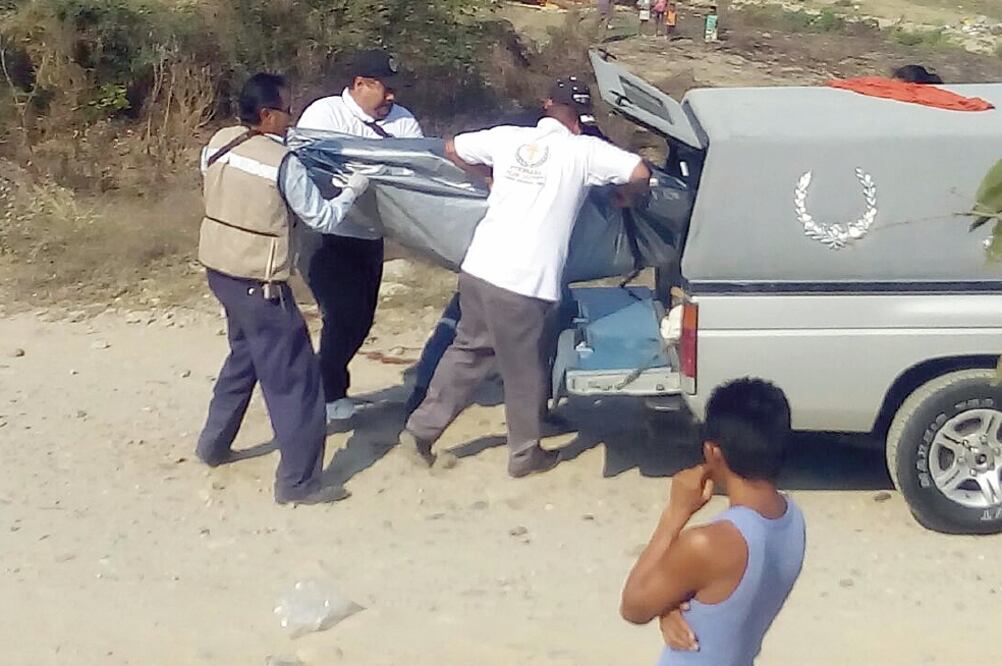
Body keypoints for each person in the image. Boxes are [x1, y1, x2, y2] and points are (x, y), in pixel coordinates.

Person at [398, 79, 651, 478]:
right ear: (581, 119)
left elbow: (450, 148)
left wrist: (487, 175)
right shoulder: (584, 151)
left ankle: (418, 432)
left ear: (548, 106)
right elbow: (639, 171)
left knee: (468, 350)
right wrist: (625, 197)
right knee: (525, 370)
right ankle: (524, 456)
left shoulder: (508, 138)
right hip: (525, 281)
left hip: (480, 267)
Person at [195, 73, 370, 505]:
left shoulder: (219, 141)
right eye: (288, 110)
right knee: (296, 379)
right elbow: (323, 219)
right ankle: (298, 482)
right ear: (267, 114)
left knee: (245, 355)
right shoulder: (282, 164)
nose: (292, 119)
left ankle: (213, 444)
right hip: (260, 280)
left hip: (220, 269)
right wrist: (354, 189)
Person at [404, 77, 609, 416]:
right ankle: (524, 431)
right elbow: (624, 169)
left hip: (499, 259)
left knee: (471, 340)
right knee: (513, 353)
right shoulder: (548, 140)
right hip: (522, 265)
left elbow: (453, 148)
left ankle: (425, 411)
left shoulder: (524, 137)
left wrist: (487, 175)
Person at [620, 378, 806, 665]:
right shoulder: (793, 520)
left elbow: (633, 607)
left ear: (713, 452)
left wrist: (675, 513)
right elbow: (727, 603)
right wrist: (667, 606)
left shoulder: (707, 545)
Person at [297, 49, 424, 426]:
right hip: (325, 233)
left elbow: (414, 172)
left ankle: (323, 381)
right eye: (385, 89)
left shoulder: (402, 122)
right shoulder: (324, 115)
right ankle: (328, 390)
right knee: (341, 314)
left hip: (370, 236)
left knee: (362, 320)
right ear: (360, 84)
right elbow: (308, 167)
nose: (391, 98)